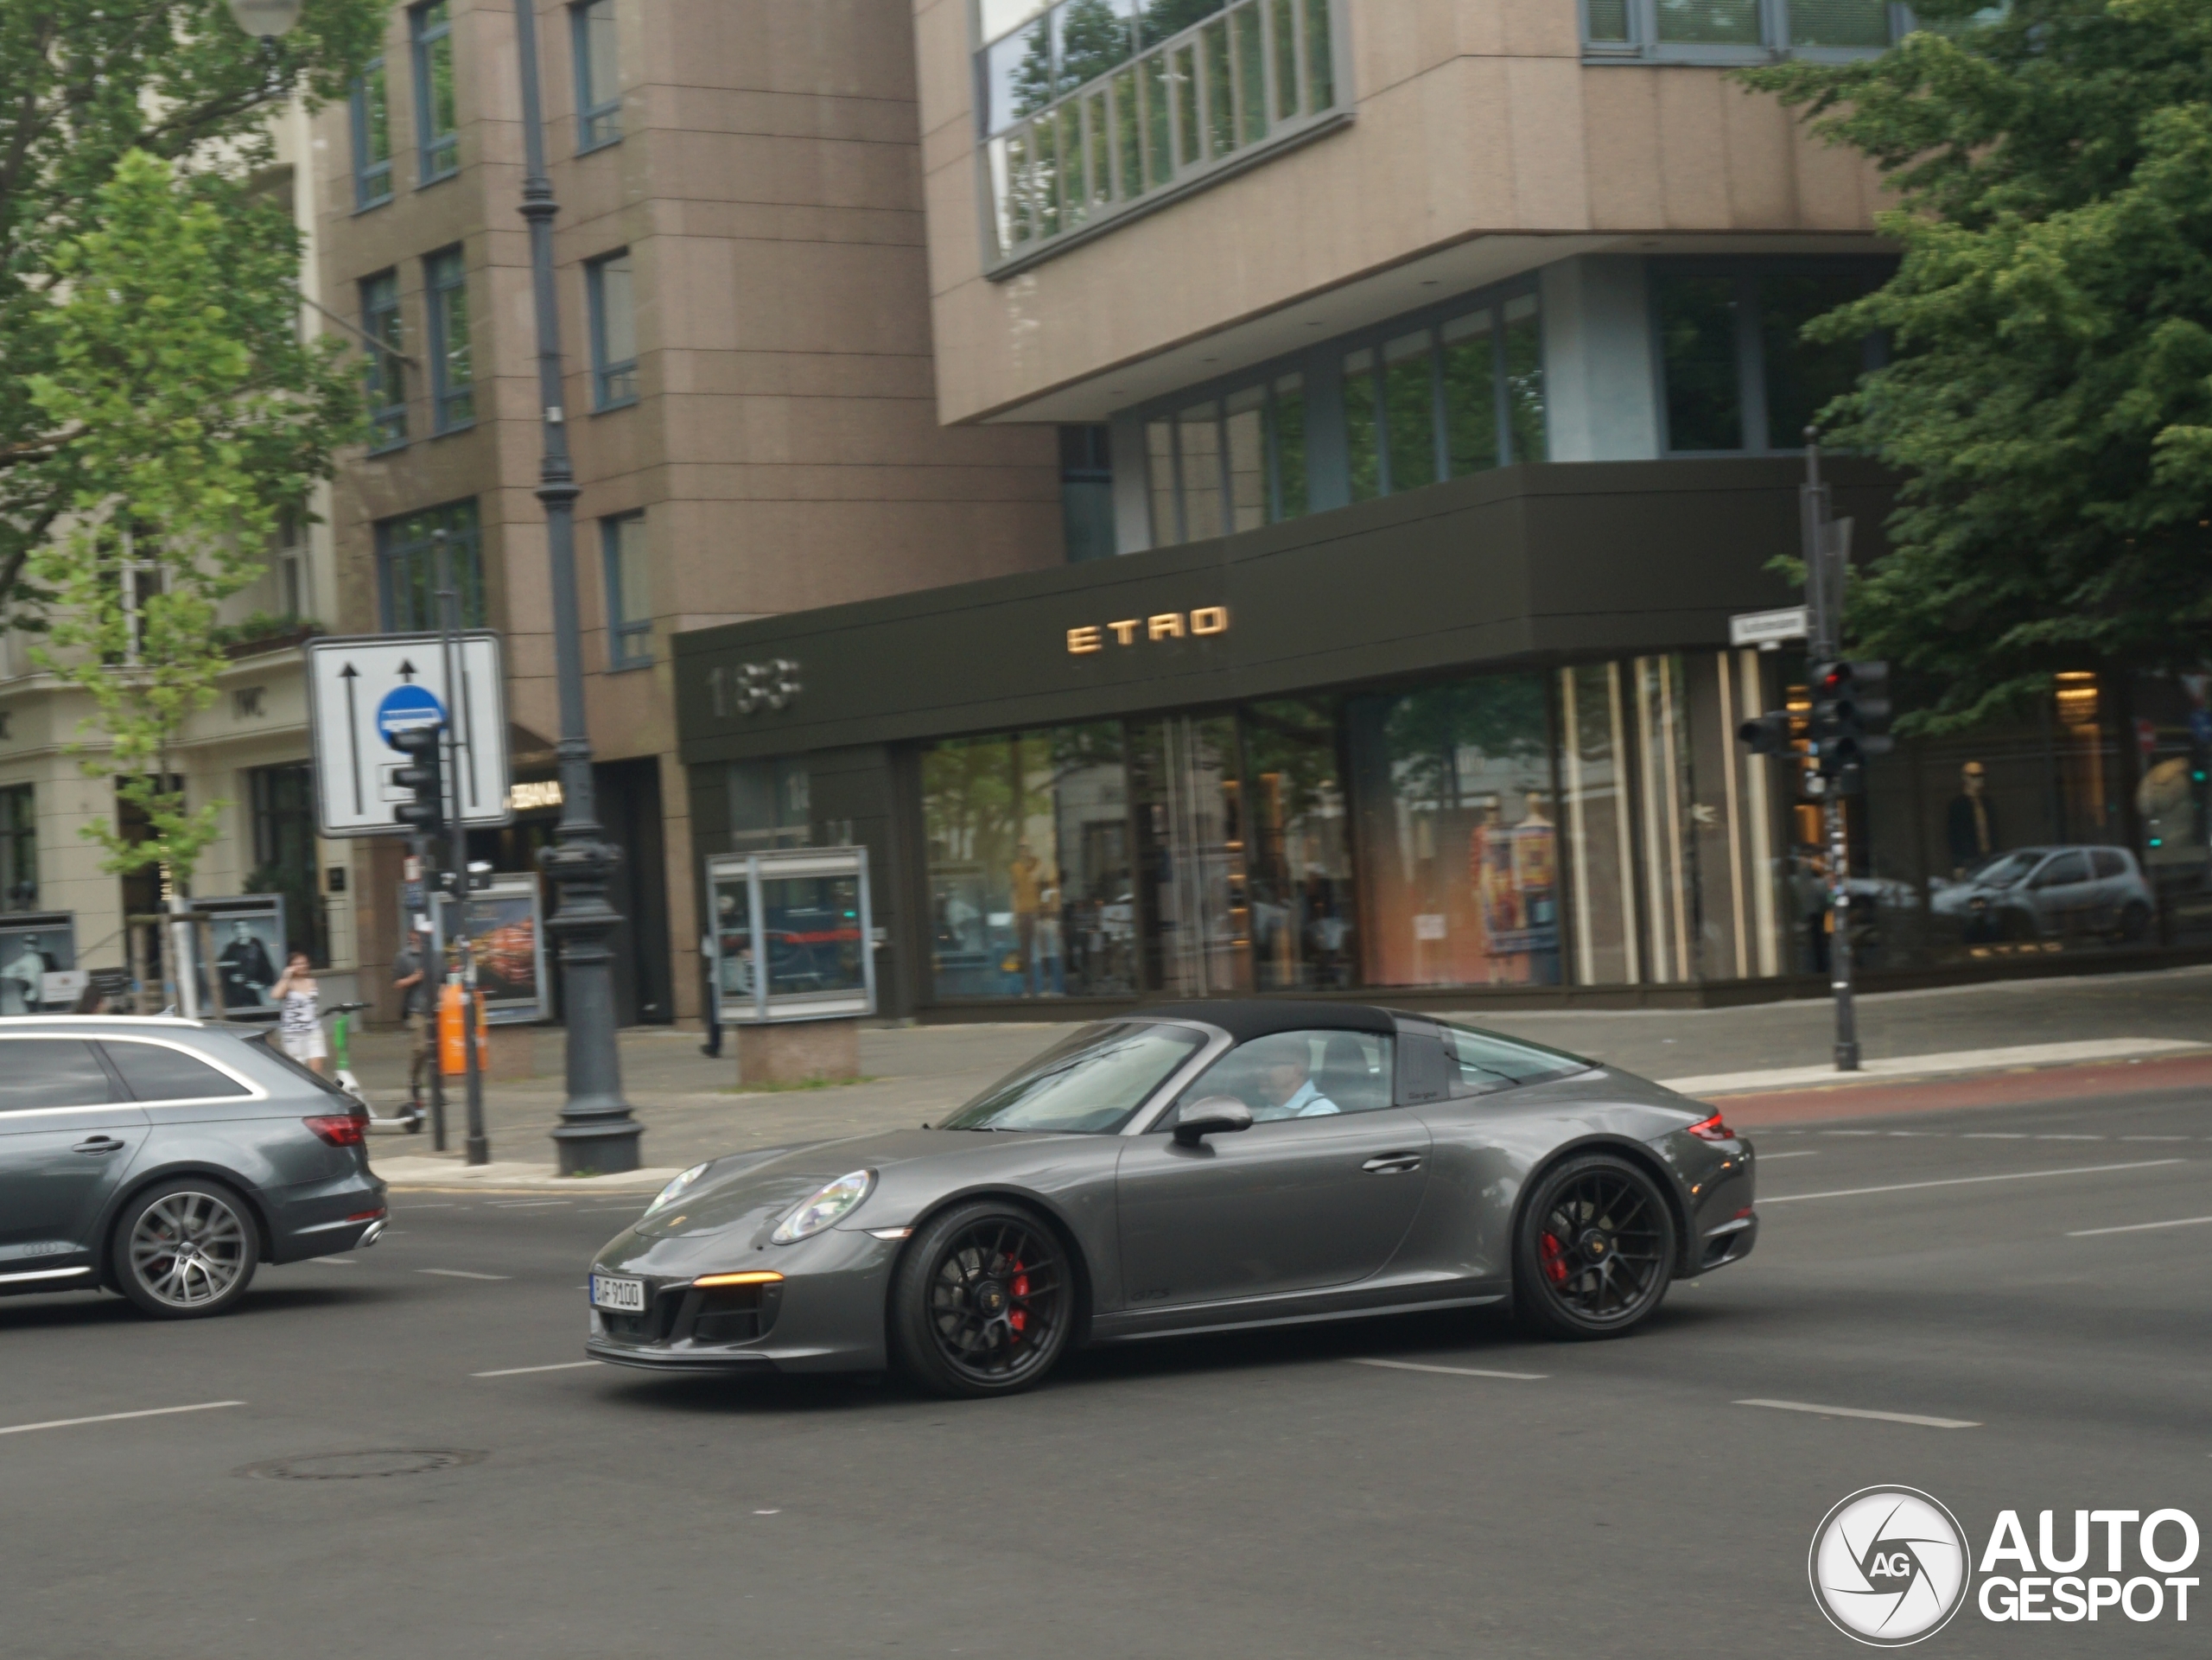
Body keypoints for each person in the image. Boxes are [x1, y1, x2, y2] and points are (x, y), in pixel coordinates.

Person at [392, 928, 435, 1111]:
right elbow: (397, 983)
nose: (420, 936)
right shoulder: (403, 957)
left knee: (436, 1051)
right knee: (421, 1048)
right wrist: (414, 978)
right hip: (416, 1008)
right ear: (411, 935)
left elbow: (445, 977)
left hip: (435, 1008)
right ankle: (414, 1080)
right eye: (416, 933)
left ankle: (431, 1088)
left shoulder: (434, 955)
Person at [1253, 1044, 1340, 1122]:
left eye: (1269, 1065)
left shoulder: (1319, 1115)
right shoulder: (1268, 1108)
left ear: (1297, 1069)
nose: (1259, 1071)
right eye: (1259, 1065)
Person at [270, 951, 325, 1074]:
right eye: (297, 964)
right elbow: (275, 995)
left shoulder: (312, 982)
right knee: (298, 1067)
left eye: (304, 963)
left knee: (316, 1066)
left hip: (313, 1029)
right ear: (290, 966)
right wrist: (286, 977)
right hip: (293, 1032)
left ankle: (317, 1090)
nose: (302, 966)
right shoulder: (287, 983)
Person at [1947, 760, 2000, 876]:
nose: (1979, 780)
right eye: (1974, 776)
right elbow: (1954, 835)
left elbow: (1994, 831)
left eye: (1981, 776)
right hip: (1969, 859)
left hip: (1989, 857)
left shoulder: (1987, 803)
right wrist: (1958, 864)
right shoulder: (1958, 805)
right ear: (1965, 778)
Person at [217, 919, 276, 1012]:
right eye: (237, 928)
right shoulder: (230, 949)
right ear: (234, 931)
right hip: (236, 996)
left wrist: (262, 985)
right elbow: (220, 969)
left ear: (248, 929)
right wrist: (231, 977)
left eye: (243, 927)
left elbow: (267, 967)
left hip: (254, 993)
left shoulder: (257, 945)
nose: (241, 930)